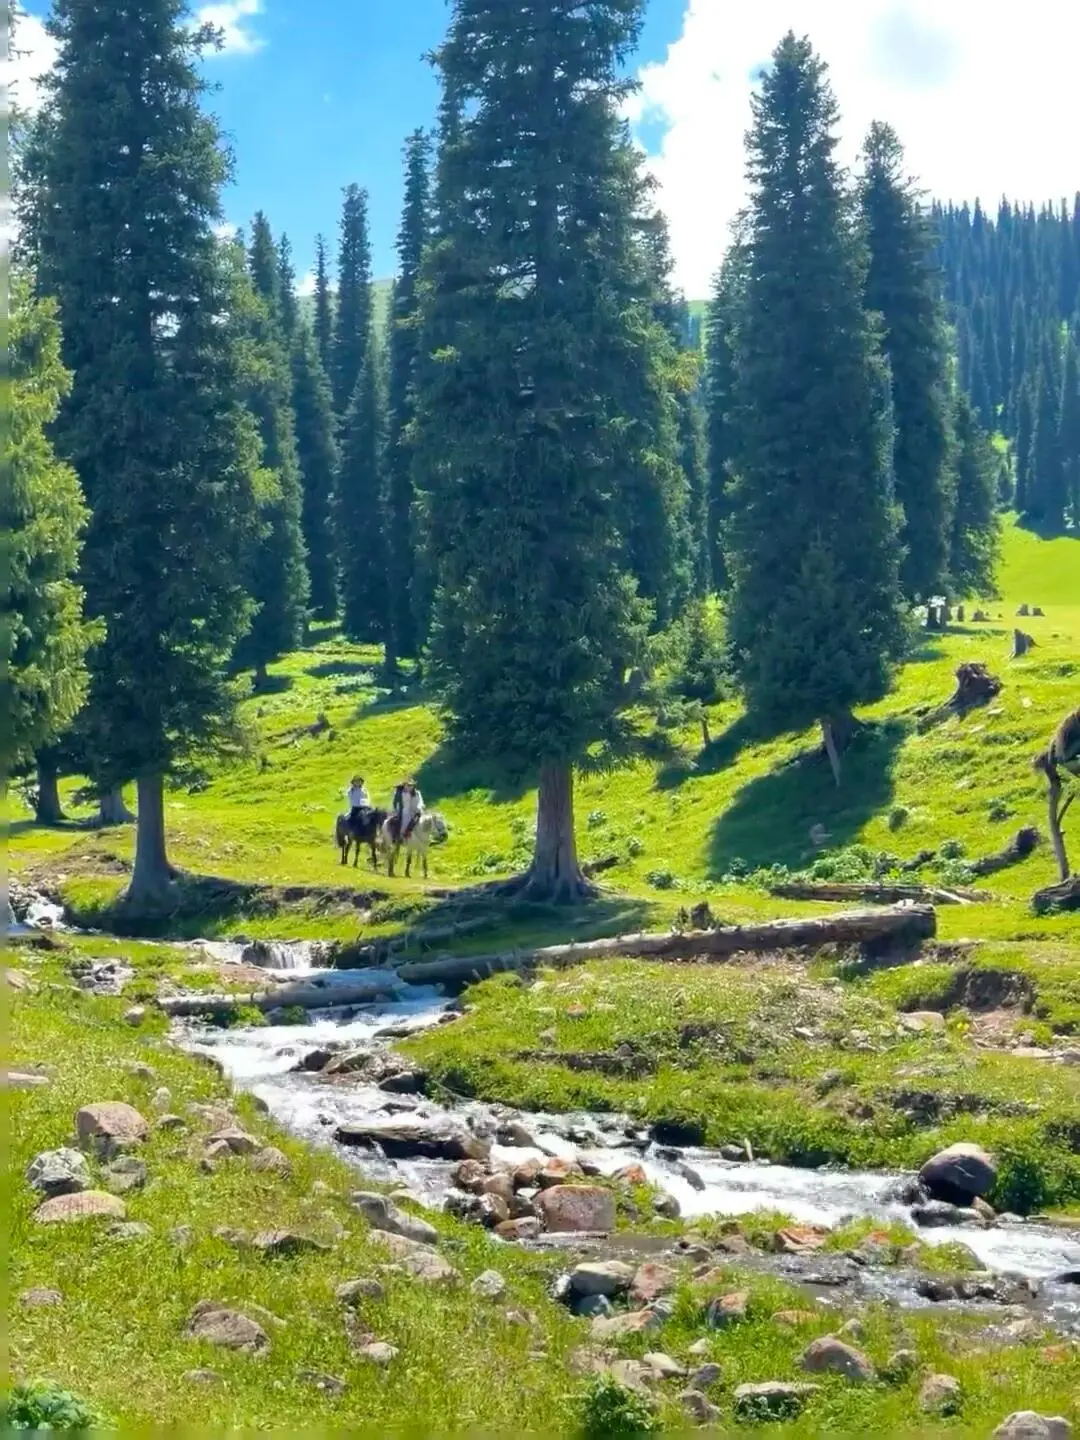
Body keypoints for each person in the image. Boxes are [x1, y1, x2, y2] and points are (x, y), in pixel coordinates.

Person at [392, 778, 423, 842]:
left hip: (416, 810)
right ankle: (402, 836)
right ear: (405, 786)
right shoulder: (401, 793)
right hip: (405, 811)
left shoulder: (417, 793)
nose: (409, 787)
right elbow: (396, 803)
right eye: (408, 785)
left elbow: (420, 801)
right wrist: (396, 810)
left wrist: (419, 807)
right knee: (404, 821)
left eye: (411, 785)